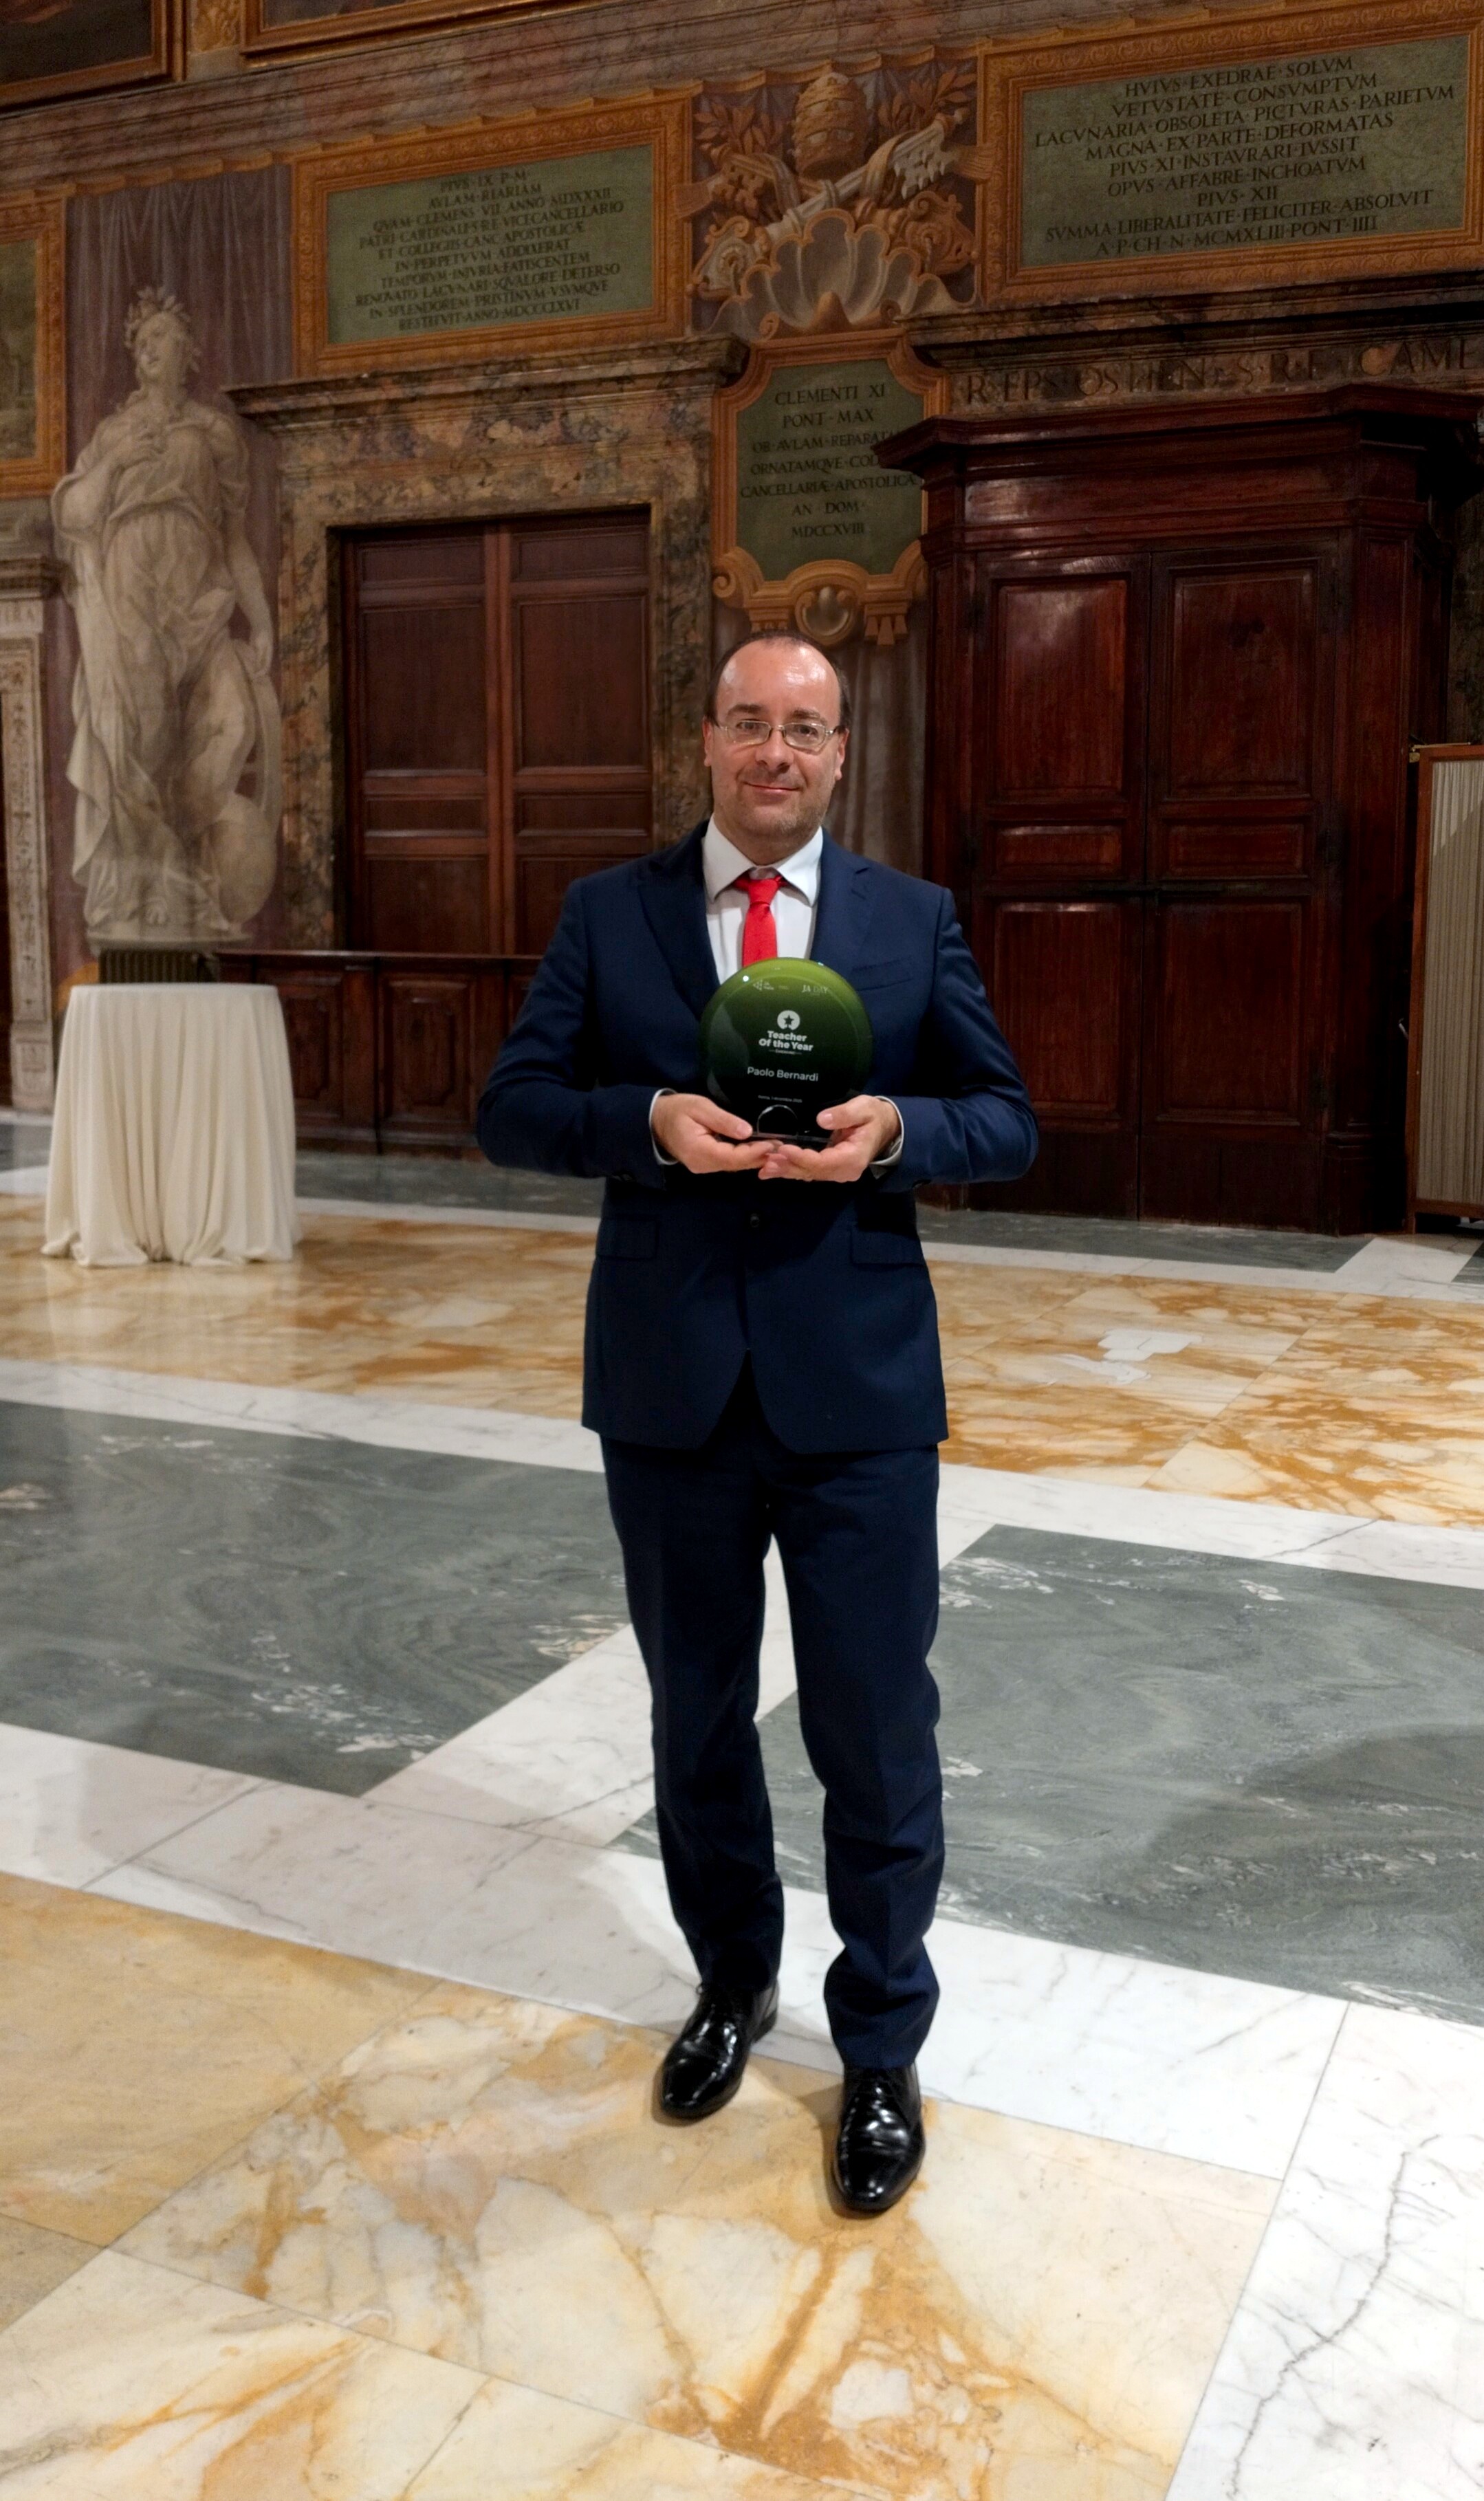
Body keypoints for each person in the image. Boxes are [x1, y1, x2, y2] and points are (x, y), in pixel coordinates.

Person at [480, 629, 1036, 2216]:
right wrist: (644, 1122)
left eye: (802, 727)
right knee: (696, 1716)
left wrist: (895, 1130)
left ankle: (880, 2045)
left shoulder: (909, 920)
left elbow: (1006, 1119)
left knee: (874, 1724)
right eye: (747, 723)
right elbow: (512, 1107)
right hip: (670, 1390)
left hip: (854, 1390)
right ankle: (731, 1982)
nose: (773, 751)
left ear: (838, 752)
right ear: (707, 741)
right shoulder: (612, 914)